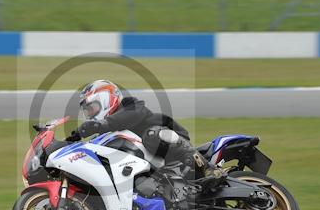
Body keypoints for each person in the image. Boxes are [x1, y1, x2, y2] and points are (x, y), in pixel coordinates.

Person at [67, 79, 224, 185]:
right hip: (154, 168)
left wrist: (99, 124)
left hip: (169, 140)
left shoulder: (130, 105)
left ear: (105, 100)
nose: (90, 114)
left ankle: (206, 168)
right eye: (87, 112)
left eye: (91, 108)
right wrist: (74, 139)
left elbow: (132, 115)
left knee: (152, 135)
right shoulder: (106, 132)